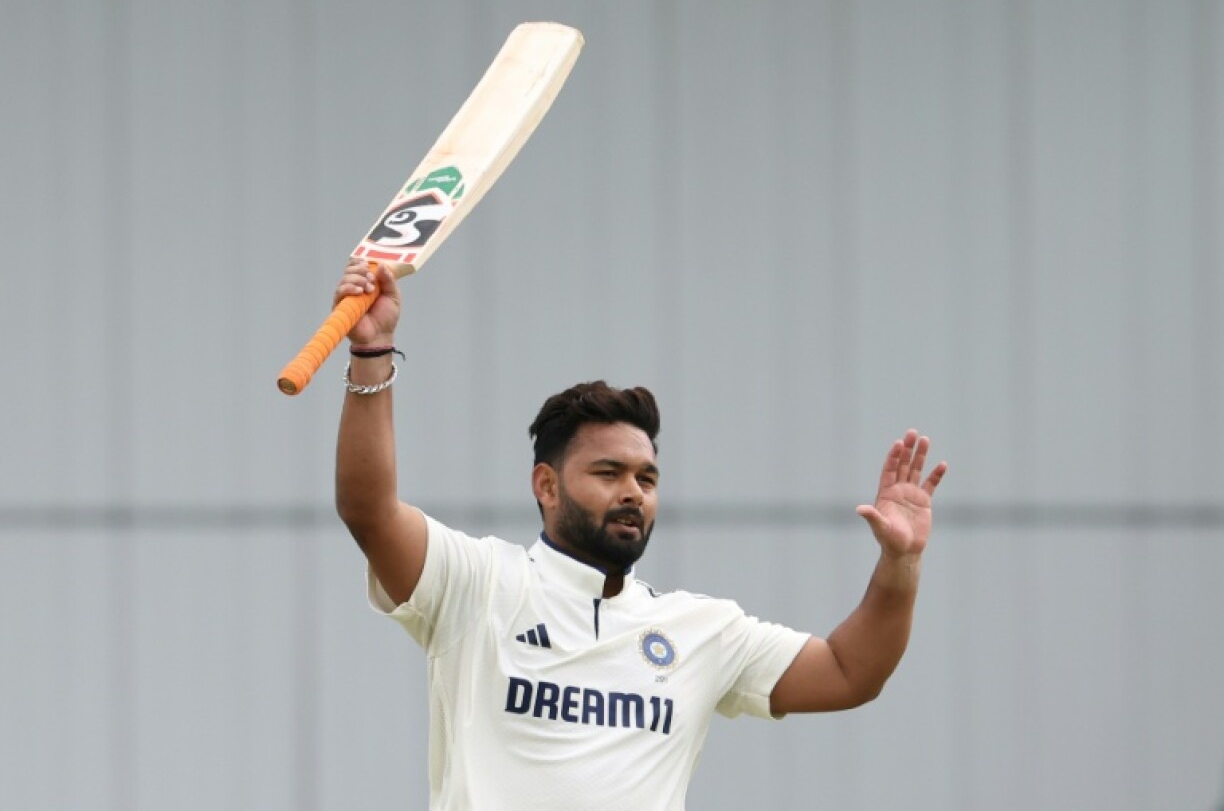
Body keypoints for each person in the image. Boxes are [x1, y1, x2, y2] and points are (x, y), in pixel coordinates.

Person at [334, 260, 948, 811]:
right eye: (609, 473)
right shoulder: (478, 583)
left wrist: (901, 565)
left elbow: (850, 672)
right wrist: (372, 353)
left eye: (647, 478)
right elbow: (370, 511)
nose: (634, 492)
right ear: (546, 486)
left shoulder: (701, 628)